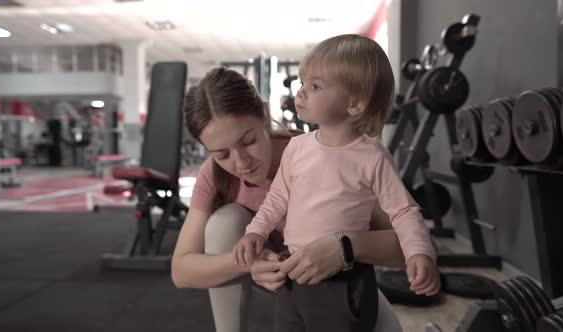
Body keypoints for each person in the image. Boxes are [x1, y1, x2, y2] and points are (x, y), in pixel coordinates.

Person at [172, 66, 410, 332]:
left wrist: (345, 246)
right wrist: (247, 264)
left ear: (264, 114)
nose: (241, 164)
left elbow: (410, 245)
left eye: (248, 141)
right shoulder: (215, 175)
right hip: (262, 293)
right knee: (224, 222)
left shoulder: (325, 157)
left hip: (333, 289)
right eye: (222, 154)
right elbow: (181, 270)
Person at [233, 34, 440, 331]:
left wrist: (419, 253)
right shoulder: (297, 147)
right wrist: (255, 232)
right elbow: (277, 199)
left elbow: (404, 212)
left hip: (343, 282)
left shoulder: (372, 157)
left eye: (315, 86)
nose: (301, 93)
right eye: (302, 83)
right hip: (294, 275)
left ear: (354, 103)